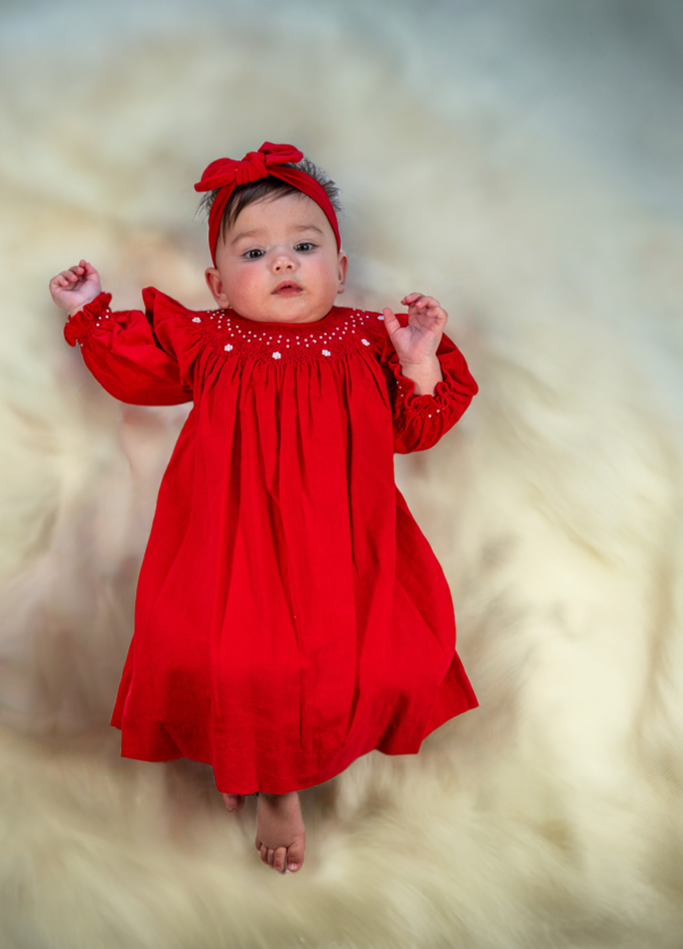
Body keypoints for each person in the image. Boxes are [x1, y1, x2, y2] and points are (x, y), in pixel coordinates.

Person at [49, 142, 478, 874]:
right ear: (217, 284)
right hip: (231, 544)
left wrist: (418, 361)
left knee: (362, 664)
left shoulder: (370, 339)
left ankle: (274, 772)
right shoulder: (210, 339)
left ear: (339, 270)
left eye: (304, 246)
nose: (283, 262)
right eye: (255, 253)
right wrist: (90, 310)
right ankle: (260, 769)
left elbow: (415, 430)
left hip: (342, 547)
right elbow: (135, 370)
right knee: (231, 660)